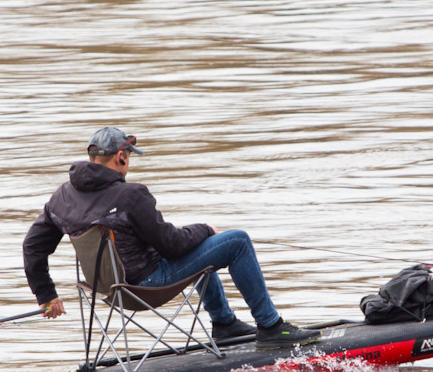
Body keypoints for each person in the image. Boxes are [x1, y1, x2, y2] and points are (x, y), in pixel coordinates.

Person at [22, 127, 321, 348]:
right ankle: (271, 328)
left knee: (196, 244)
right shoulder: (131, 194)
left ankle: (225, 324)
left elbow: (33, 245)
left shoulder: (62, 196)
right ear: (122, 157)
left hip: (110, 291)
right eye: (129, 158)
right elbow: (173, 245)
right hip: (147, 286)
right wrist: (206, 229)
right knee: (236, 241)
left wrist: (46, 295)